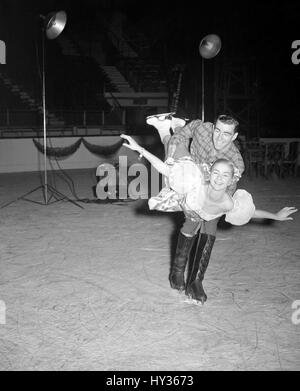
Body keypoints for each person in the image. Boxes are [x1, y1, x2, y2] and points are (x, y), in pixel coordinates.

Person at [120, 133, 297, 304]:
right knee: (189, 229)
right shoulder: (195, 184)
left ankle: (196, 282)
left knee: (208, 235)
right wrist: (139, 148)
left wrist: (275, 215)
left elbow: (251, 213)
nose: (219, 179)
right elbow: (164, 169)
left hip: (211, 216)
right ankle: (177, 272)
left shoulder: (228, 202)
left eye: (225, 176)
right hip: (193, 210)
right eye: (216, 173)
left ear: (230, 181)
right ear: (209, 174)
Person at [144, 113, 244, 304]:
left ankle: (196, 281)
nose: (219, 137)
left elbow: (227, 193)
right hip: (191, 175)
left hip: (211, 189)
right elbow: (182, 138)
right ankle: (177, 273)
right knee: (175, 150)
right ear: (213, 128)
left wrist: (211, 209)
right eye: (218, 130)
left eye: (226, 134)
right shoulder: (202, 128)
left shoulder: (236, 163)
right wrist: (175, 147)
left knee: (209, 223)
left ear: (234, 137)